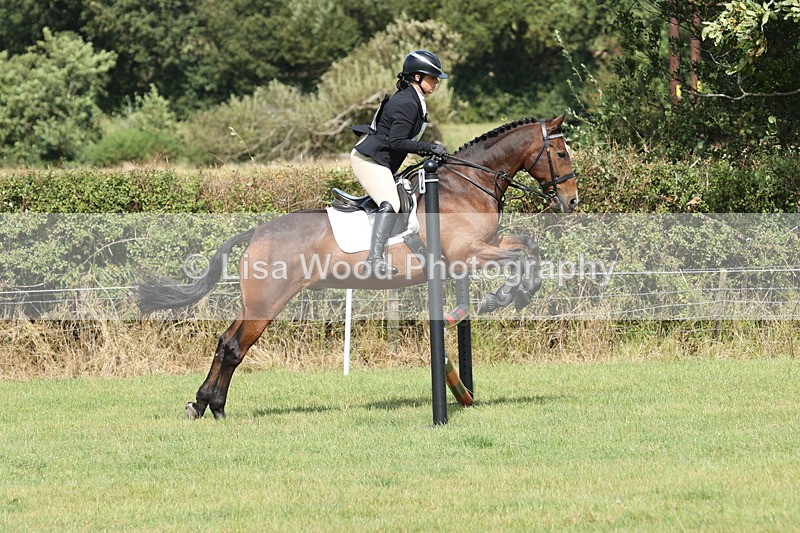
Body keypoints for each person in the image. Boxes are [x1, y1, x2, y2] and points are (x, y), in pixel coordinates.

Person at [350, 49, 448, 277]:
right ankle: (374, 260)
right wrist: (429, 147)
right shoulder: (407, 103)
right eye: (432, 77)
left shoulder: (414, 99)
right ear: (417, 77)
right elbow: (397, 142)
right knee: (391, 201)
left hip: (380, 160)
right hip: (368, 159)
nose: (435, 82)